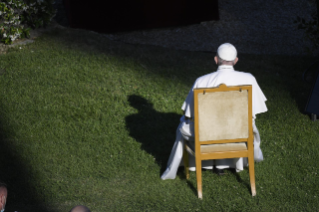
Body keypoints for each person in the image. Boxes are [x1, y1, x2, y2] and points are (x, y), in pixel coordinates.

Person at [161, 43, 268, 180]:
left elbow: (188, 113)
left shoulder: (201, 81)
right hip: (239, 132)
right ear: (236, 61)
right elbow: (256, 110)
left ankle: (187, 166)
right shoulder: (249, 79)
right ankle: (230, 163)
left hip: (207, 135)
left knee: (183, 125)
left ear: (216, 59)